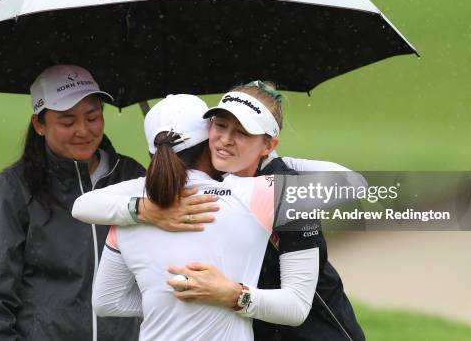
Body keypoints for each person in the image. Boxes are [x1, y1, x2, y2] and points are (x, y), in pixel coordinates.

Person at [73, 82, 366, 341]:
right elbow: (355, 185)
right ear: (205, 133)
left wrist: (189, 296)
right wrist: (148, 211)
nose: (226, 139)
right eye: (220, 126)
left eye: (241, 132)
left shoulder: (279, 193)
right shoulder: (260, 194)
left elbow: (355, 184)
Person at [0, 65, 151, 341]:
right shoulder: (12, 189)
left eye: (93, 117)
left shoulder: (131, 176)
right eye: (67, 122)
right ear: (39, 125)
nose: (83, 131)